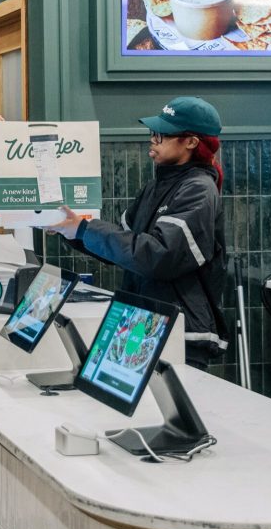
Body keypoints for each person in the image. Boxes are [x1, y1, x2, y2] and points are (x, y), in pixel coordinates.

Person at [48, 96, 228, 368]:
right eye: (153, 132)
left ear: (191, 142)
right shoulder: (156, 187)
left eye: (162, 134)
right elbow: (123, 248)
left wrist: (84, 228)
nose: (152, 140)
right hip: (144, 324)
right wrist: (70, 230)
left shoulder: (199, 190)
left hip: (179, 334)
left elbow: (158, 256)